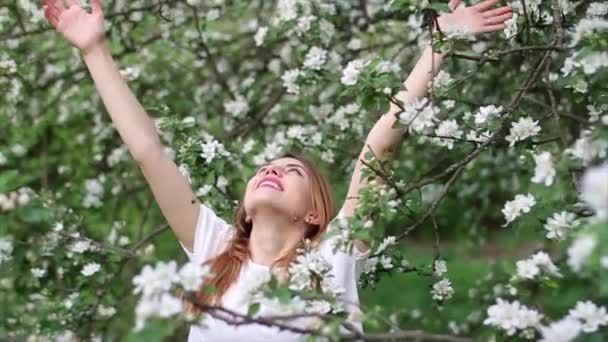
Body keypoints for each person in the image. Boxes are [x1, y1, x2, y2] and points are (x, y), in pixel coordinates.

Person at [42, 0, 512, 340]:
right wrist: (94, 50)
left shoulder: (334, 258)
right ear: (244, 209)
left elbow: (381, 145)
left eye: (291, 171)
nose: (271, 170)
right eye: (266, 167)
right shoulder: (210, 249)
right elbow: (149, 152)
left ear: (313, 214)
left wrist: (441, 43)